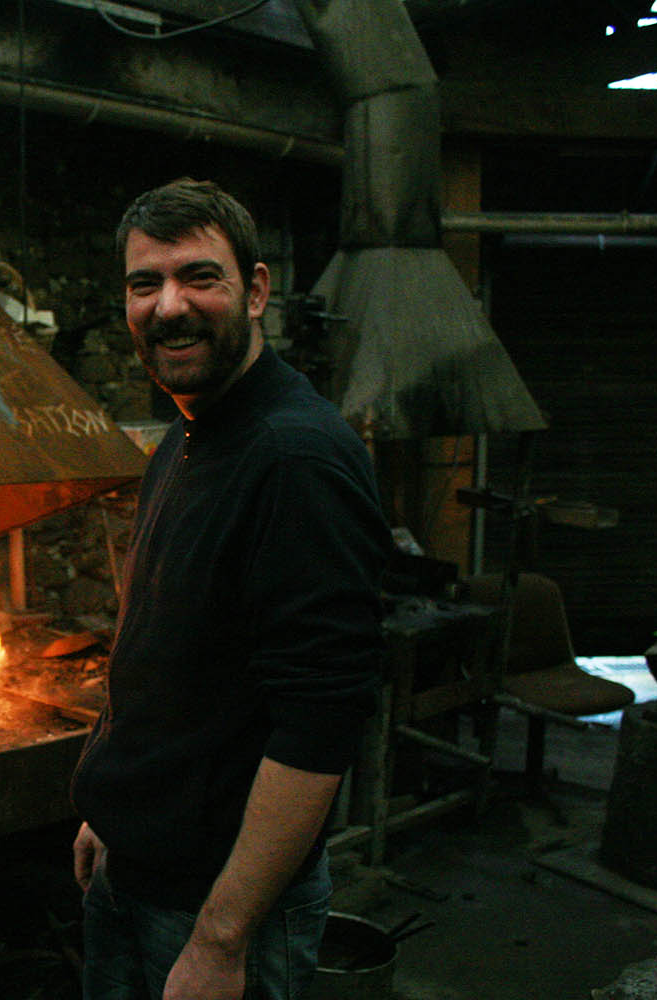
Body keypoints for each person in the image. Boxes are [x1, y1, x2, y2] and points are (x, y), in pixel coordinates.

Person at [70, 178, 390, 1000]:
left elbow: (320, 720)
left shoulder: (294, 458)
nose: (169, 306)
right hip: (136, 869)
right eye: (145, 283)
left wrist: (220, 938)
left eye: (199, 277)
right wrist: (114, 812)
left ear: (254, 290)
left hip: (210, 909)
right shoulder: (190, 434)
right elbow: (167, 659)